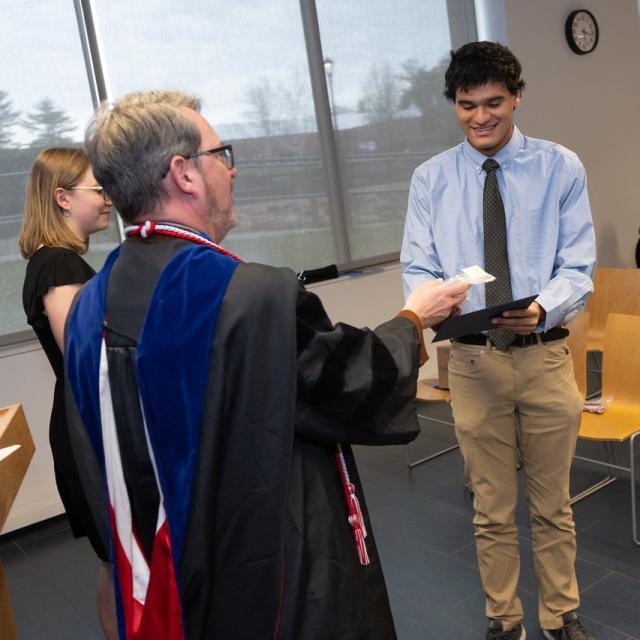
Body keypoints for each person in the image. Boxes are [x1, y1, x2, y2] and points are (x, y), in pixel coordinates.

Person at [63, 90, 469, 640]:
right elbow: (350, 384)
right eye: (220, 154)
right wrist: (413, 321)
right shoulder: (244, 295)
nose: (232, 170)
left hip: (161, 582)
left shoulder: (93, 303)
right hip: (266, 583)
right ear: (184, 174)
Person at [401, 42, 597, 640]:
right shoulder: (430, 179)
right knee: (491, 511)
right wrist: (439, 299)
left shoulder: (561, 167)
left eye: (493, 103)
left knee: (553, 506)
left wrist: (543, 307)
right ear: (453, 104)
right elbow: (417, 267)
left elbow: (579, 267)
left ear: (517, 96)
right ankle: (503, 622)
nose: (480, 117)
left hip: (544, 359)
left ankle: (560, 617)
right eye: (467, 105)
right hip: (473, 363)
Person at [19, 147, 117, 639]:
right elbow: (86, 356)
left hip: (87, 424)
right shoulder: (57, 266)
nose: (109, 201)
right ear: (62, 197)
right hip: (87, 430)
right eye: (98, 190)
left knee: (118, 564)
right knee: (119, 566)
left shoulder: (59, 263)